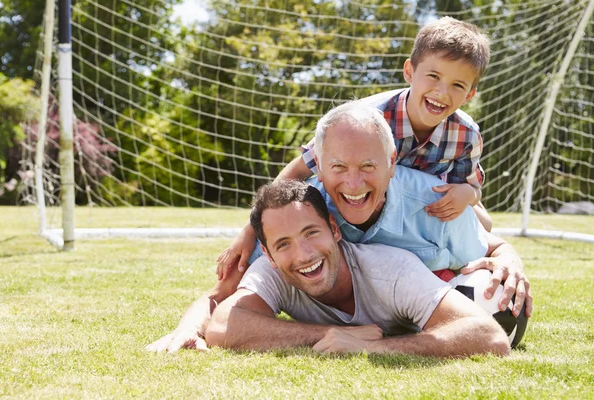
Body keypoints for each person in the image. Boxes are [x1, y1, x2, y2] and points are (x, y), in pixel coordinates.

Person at [146, 102, 531, 354]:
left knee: (478, 229)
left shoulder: (431, 208)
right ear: (319, 165)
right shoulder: (298, 218)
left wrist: (507, 254)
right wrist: (188, 325)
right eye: (338, 168)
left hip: (428, 271)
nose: (353, 183)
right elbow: (220, 309)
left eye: (367, 167)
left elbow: (489, 333)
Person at [202, 180, 510, 357]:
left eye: (311, 233)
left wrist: (371, 349)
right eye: (283, 244)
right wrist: (331, 333)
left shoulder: (391, 269)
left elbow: (489, 336)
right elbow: (221, 327)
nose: (304, 254)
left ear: (334, 229)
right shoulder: (272, 272)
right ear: (268, 255)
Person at [272, 16, 492, 229]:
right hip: (350, 210)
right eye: (433, 76)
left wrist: (470, 194)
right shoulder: (365, 120)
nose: (442, 92)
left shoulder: (466, 134)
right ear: (409, 71)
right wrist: (254, 227)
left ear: (469, 95)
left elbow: (471, 190)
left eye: (457, 85)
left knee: (485, 225)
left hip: (412, 219)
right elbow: (298, 170)